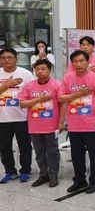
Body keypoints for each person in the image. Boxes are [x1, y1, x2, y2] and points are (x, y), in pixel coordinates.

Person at [58, 50, 95, 193]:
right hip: (74, 123)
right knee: (76, 155)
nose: (78, 64)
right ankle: (79, 180)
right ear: (72, 63)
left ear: (87, 62)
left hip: (91, 123)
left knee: (93, 154)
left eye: (81, 61)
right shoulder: (67, 78)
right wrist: (78, 94)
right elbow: (61, 98)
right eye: (75, 61)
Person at [18, 59, 63, 187]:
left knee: (52, 152)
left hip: (51, 126)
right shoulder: (29, 85)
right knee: (39, 153)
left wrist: (61, 123)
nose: (40, 71)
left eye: (43, 69)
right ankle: (43, 175)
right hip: (34, 126)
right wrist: (39, 99)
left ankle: (53, 175)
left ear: (50, 70)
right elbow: (22, 104)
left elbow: (62, 104)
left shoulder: (56, 84)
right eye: (37, 69)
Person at [0, 48, 35, 184]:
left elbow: (33, 93)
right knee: (4, 148)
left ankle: (25, 170)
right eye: (3, 57)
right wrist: (7, 85)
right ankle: (10, 172)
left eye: (10, 57)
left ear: (16, 58)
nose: (6, 60)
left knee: (25, 146)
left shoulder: (26, 74)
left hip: (22, 117)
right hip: (2, 118)